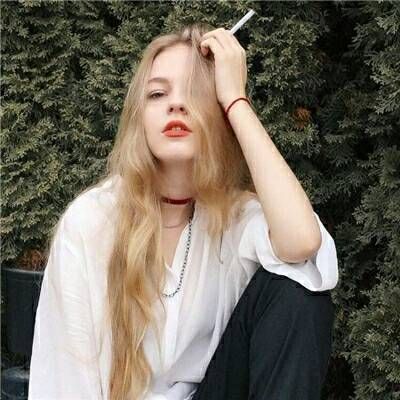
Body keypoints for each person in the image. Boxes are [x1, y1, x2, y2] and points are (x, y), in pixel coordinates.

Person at [28, 23, 339, 400]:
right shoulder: (92, 222)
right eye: (157, 94)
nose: (175, 105)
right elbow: (66, 382)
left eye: (195, 93)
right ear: (139, 117)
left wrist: (236, 101)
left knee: (298, 292)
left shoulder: (234, 217)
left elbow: (302, 242)